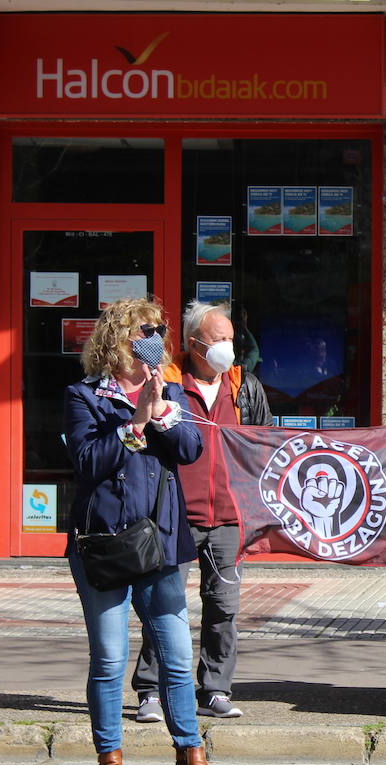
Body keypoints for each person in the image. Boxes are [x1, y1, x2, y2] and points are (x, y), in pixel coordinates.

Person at [65, 298, 241, 765]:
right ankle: (110, 764)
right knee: (110, 658)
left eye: (159, 332)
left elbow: (190, 450)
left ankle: (191, 762)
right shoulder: (84, 395)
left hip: (161, 542)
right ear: (118, 339)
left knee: (178, 659)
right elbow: (86, 461)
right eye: (146, 331)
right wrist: (133, 423)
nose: (155, 340)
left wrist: (162, 411)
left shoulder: (167, 389)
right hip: (102, 542)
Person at [131, 301, 270, 723]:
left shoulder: (245, 387)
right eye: (220, 339)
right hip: (175, 515)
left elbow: (262, 449)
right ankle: (150, 691)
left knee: (223, 606)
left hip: (228, 517)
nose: (229, 347)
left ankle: (214, 689)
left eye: (231, 338)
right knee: (165, 605)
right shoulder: (167, 383)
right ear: (194, 345)